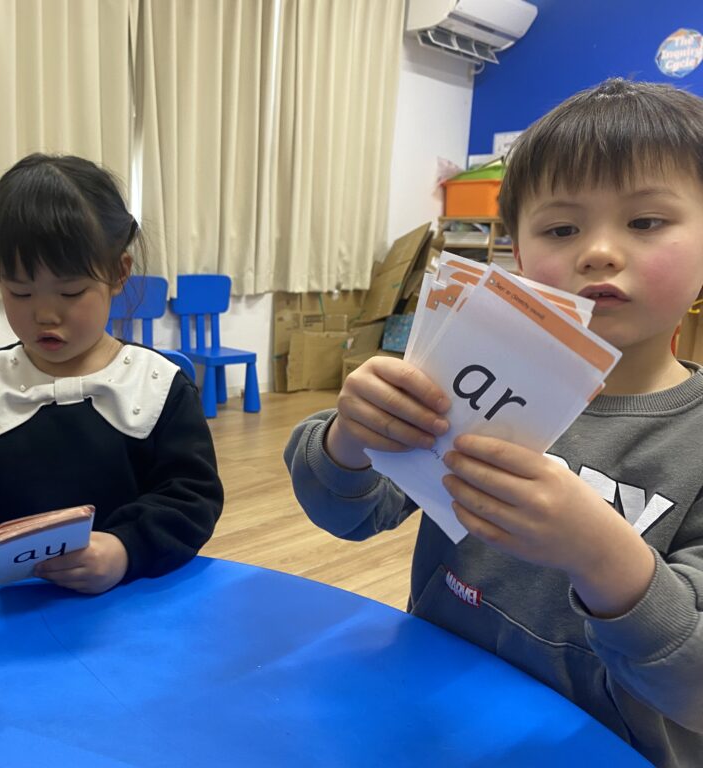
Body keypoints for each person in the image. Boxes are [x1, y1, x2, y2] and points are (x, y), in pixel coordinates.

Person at [285, 79, 703, 767]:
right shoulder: (468, 371)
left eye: (646, 221)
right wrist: (350, 438)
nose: (598, 251)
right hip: (435, 717)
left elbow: (692, 688)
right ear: (518, 251)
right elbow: (348, 515)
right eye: (562, 229)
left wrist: (601, 554)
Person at [0, 153, 223, 594]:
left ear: (119, 273)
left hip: (129, 602)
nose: (45, 314)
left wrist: (125, 548)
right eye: (20, 292)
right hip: (6, 606)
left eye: (71, 291)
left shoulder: (158, 386)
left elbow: (193, 500)